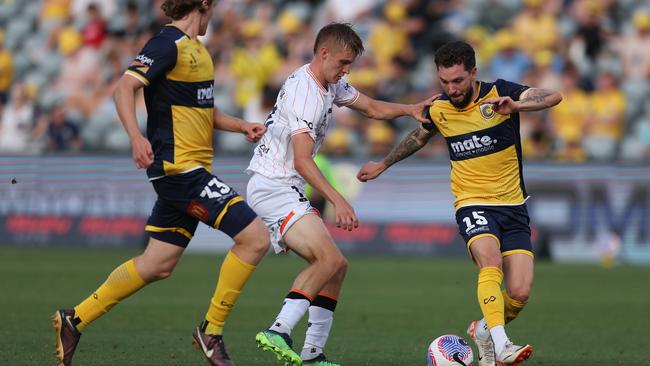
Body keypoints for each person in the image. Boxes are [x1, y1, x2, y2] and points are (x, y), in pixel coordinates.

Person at [52, 1, 270, 366]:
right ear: (203, 4)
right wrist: (137, 138)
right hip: (180, 171)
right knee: (255, 237)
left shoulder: (198, 50)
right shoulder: (166, 44)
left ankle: (74, 320)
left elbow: (204, 109)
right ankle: (211, 331)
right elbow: (124, 89)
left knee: (158, 264)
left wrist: (241, 125)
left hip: (189, 170)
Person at [357, 41, 562, 366]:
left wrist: (517, 107)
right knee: (489, 260)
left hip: (513, 205)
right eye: (445, 82)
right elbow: (418, 137)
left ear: (473, 73)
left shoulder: (500, 93)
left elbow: (553, 96)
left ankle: (484, 330)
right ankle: (502, 344)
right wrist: (382, 165)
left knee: (520, 293)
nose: (451, 89)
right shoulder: (439, 108)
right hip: (472, 203)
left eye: (458, 81)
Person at [246, 22, 436, 366]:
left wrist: (411, 109)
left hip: (282, 187)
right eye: (343, 63)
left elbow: (372, 108)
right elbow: (303, 161)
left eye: (350, 65)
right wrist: (338, 199)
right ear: (324, 53)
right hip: (274, 186)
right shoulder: (306, 94)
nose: (346, 71)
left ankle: (312, 354)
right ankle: (279, 329)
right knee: (328, 260)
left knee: (337, 267)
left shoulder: (328, 83)